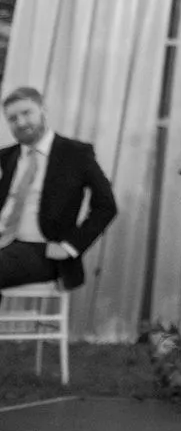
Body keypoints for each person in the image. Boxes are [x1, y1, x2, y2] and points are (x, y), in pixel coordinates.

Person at [0, 86, 118, 297]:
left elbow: (106, 206)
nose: (21, 122)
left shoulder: (76, 154)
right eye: (12, 118)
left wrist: (71, 246)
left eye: (26, 113)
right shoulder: (6, 157)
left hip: (44, 250)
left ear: (43, 110)